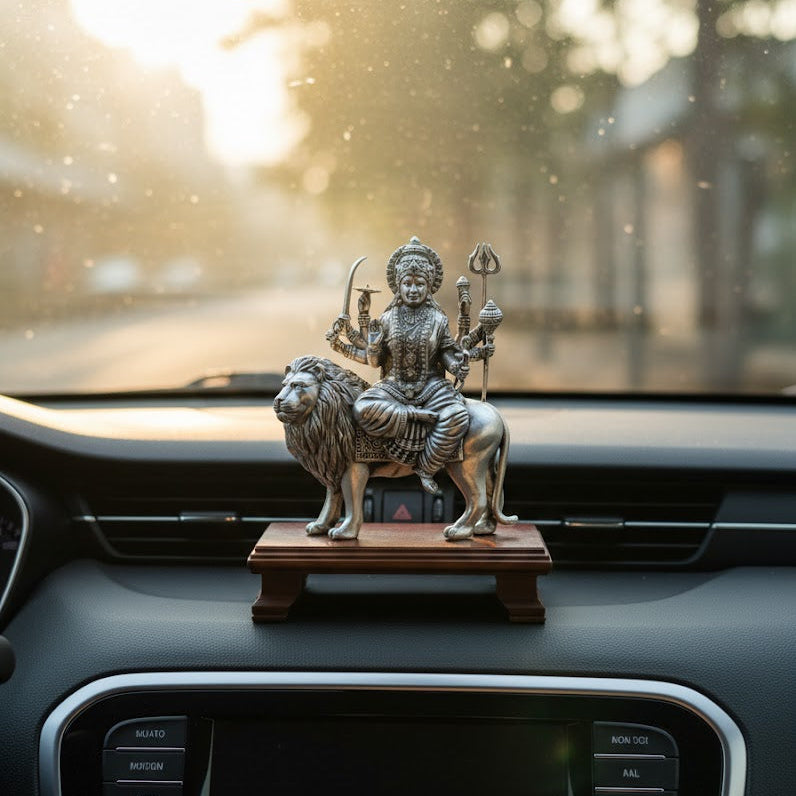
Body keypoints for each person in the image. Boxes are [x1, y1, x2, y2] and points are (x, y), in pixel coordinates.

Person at [327, 237, 472, 494]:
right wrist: (366, 344)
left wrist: (457, 365)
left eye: (419, 284)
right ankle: (414, 417)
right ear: (398, 286)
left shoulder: (438, 319)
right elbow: (375, 361)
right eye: (407, 283)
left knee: (458, 416)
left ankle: (427, 467)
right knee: (361, 409)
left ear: (429, 287)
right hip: (392, 387)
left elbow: (446, 354)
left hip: (431, 387)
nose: (413, 290)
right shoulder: (387, 318)